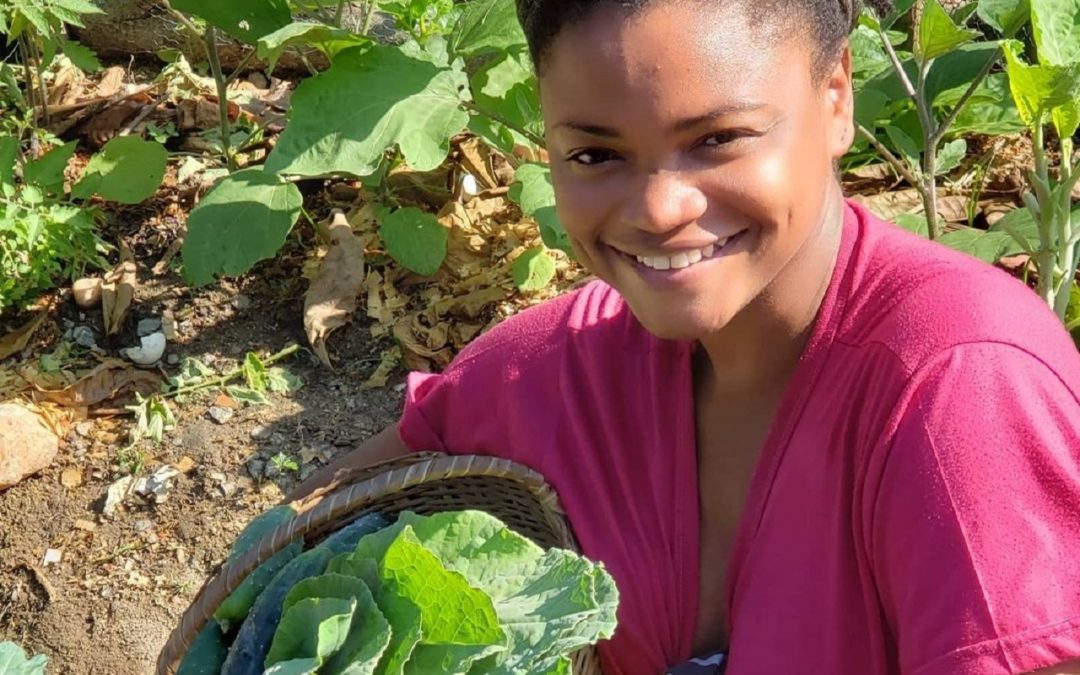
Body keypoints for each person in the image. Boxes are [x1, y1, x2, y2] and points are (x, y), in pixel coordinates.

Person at [291, 0, 1080, 673]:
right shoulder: (551, 377)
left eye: (717, 139)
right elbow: (275, 564)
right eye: (597, 153)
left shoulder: (957, 385)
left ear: (836, 96)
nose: (659, 208)